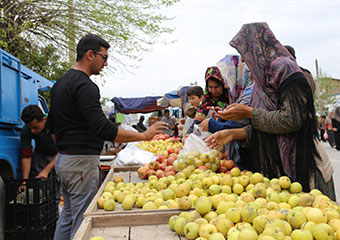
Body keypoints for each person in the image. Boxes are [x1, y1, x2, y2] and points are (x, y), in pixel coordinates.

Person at [49, 33, 167, 240]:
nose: (106, 63)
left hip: (64, 161)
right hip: (80, 164)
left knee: (67, 216)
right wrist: (143, 135)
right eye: (104, 57)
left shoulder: (60, 84)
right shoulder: (85, 86)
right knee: (80, 222)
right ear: (89, 55)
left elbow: (51, 126)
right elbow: (101, 128)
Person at [206, 22, 335, 200]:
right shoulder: (262, 81)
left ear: (258, 47)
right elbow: (267, 126)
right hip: (278, 172)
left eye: (245, 52)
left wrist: (249, 113)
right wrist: (233, 133)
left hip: (302, 166)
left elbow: (291, 120)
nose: (244, 60)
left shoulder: (285, 69)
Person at [20, 105, 60, 204]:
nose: (33, 131)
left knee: (58, 184)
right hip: (41, 155)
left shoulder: (55, 123)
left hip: (59, 154)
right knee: (42, 186)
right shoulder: (26, 131)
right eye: (30, 128)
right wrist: (24, 181)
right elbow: (26, 156)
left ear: (44, 120)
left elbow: (63, 150)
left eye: (35, 127)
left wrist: (46, 170)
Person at [186, 66, 231, 134]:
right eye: (210, 87)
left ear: (223, 84)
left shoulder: (231, 97)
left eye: (217, 87)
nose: (213, 91)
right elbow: (197, 121)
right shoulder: (207, 99)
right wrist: (188, 134)